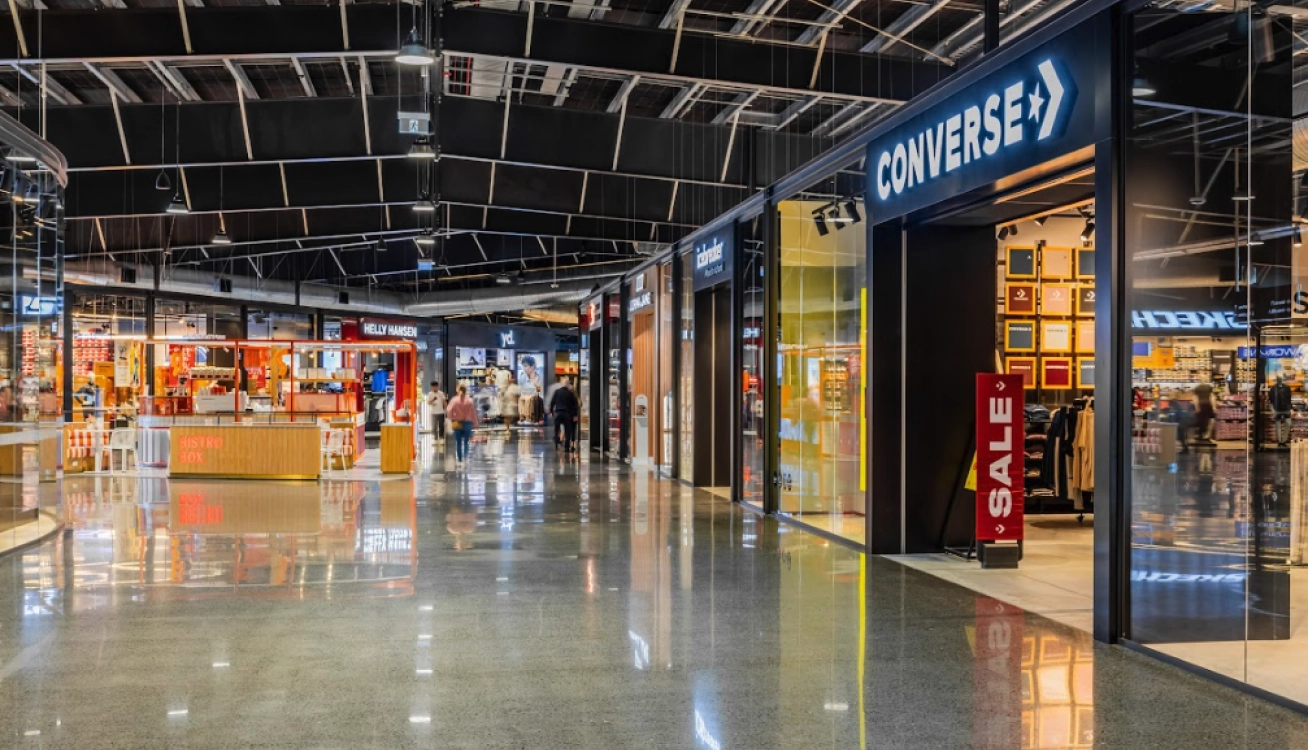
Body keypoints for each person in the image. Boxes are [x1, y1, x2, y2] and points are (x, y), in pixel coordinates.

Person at [446, 384, 478, 465]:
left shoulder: (454, 400)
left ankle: (460, 460)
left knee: (458, 442)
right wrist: (475, 423)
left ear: (458, 390)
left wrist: (451, 419)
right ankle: (465, 458)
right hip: (468, 423)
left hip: (457, 423)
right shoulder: (470, 400)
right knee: (466, 442)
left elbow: (449, 411)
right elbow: (473, 413)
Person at [551, 380, 581, 455]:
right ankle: (566, 447)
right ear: (567, 385)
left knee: (556, 428)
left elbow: (552, 402)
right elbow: (574, 405)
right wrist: (574, 415)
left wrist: (552, 411)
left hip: (558, 413)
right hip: (566, 414)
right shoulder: (570, 393)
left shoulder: (557, 392)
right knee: (568, 430)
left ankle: (556, 440)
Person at [1271, 376, 1293, 446]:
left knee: (1288, 424)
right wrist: (1272, 410)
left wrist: (1291, 408)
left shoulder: (1287, 388)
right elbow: (1270, 400)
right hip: (1277, 409)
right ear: (1276, 379)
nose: (1279, 379)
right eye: (1278, 378)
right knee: (1278, 425)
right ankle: (1280, 441)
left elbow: (1289, 399)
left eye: (1280, 378)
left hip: (1286, 408)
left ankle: (1284, 441)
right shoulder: (1273, 388)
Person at [545, 376, 567, 446]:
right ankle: (560, 436)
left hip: (555, 409)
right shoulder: (562, 387)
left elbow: (549, 398)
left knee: (557, 423)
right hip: (562, 408)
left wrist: (548, 408)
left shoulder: (551, 387)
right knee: (562, 424)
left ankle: (557, 436)